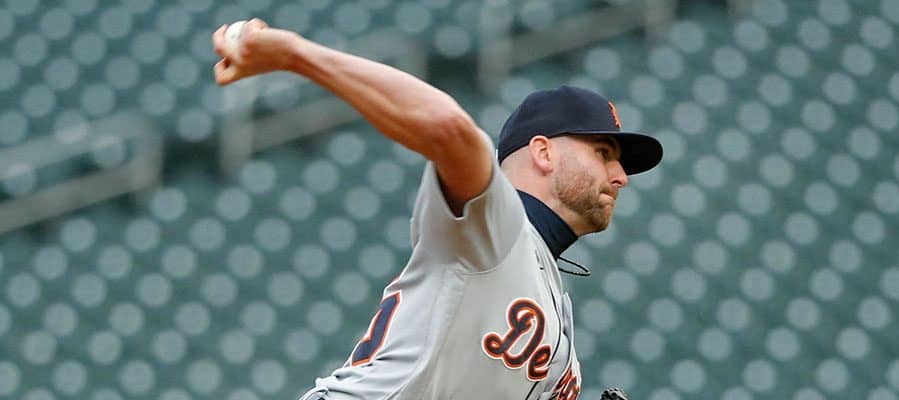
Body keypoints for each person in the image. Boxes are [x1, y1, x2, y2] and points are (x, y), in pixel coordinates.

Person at [212, 19, 661, 400]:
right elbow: (449, 129)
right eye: (603, 153)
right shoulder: (499, 225)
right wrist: (295, 54)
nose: (620, 176)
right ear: (543, 153)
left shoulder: (556, 309)